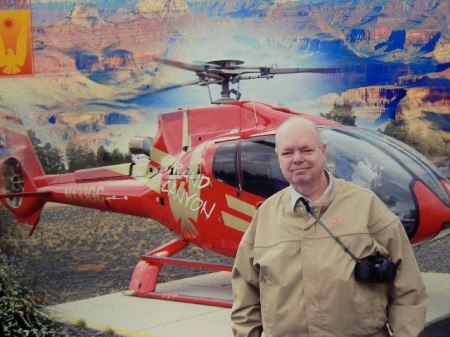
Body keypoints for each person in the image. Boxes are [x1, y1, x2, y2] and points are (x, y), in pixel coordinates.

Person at [231, 117, 427, 337]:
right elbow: (245, 298)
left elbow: (409, 289)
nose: (297, 159)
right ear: (278, 157)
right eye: (288, 153)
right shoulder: (265, 216)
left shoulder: (367, 205)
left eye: (306, 150)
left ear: (323, 151)